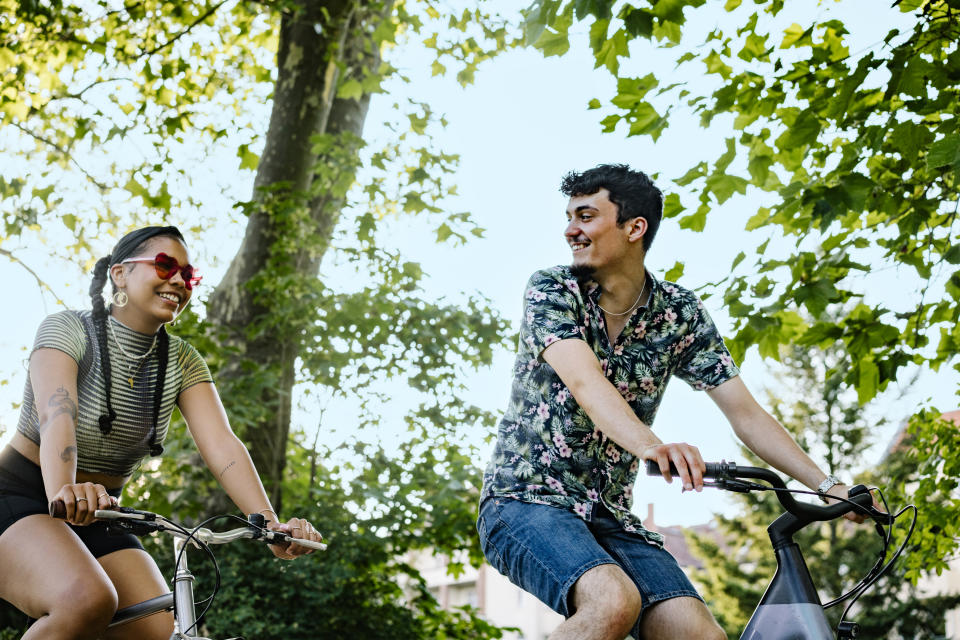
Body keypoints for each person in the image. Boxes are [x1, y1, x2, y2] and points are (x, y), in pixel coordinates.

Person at [477, 165, 864, 640]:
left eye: (585, 215)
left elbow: (745, 413)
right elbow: (586, 384)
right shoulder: (553, 289)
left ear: (633, 227)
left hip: (611, 517)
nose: (570, 230)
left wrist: (827, 485)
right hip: (526, 501)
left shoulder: (678, 314)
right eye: (569, 217)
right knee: (612, 601)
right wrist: (653, 447)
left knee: (700, 635)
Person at [0, 226, 322, 640]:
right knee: (85, 598)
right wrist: (63, 489)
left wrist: (271, 524)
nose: (178, 281)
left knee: (156, 626)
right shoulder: (68, 329)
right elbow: (56, 414)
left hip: (102, 510)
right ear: (119, 273)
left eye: (188, 275)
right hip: (22, 494)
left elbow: (221, 444)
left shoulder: (182, 361)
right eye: (165, 265)